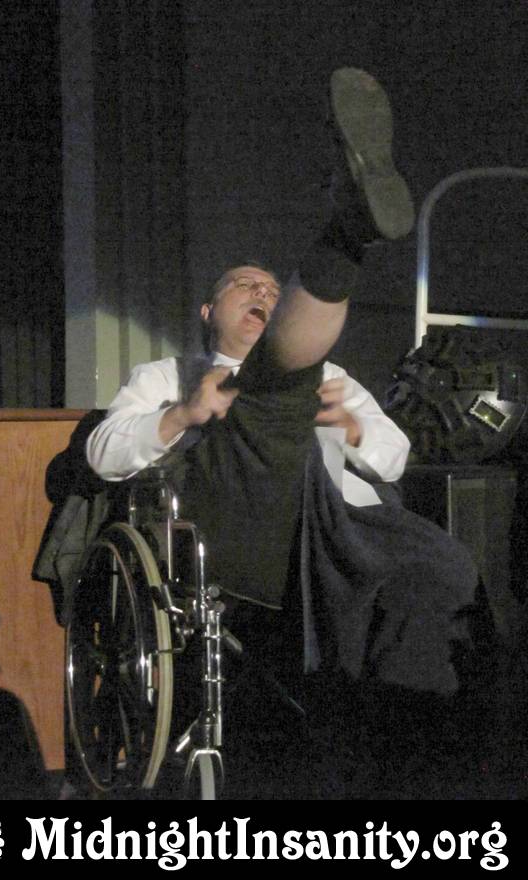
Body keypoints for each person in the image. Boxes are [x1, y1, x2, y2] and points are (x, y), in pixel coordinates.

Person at [85, 69, 481, 795]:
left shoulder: (333, 375)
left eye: (273, 288)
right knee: (265, 399)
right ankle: (345, 232)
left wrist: (353, 428)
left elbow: (395, 456)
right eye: (244, 285)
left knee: (444, 569)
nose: (262, 293)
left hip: (336, 533)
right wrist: (183, 415)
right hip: (233, 536)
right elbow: (103, 453)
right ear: (209, 313)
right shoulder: (166, 374)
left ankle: (408, 752)